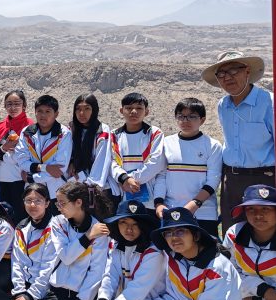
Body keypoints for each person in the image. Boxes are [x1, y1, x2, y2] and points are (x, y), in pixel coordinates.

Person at [33, 181, 111, 300]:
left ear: (78, 203)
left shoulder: (100, 230)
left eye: (62, 203)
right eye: (57, 203)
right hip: (58, 292)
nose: (58, 207)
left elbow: (96, 273)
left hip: (82, 298)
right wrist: (88, 236)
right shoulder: (58, 223)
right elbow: (67, 257)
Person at [201, 51, 274, 231]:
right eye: (222, 74)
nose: (228, 77)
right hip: (232, 180)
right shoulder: (223, 105)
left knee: (265, 232)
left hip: (264, 178)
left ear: (247, 71)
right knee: (232, 231)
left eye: (234, 70)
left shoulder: (269, 102)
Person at [92, 200, 165, 300]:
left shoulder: (154, 253)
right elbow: (110, 276)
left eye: (135, 224)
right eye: (123, 222)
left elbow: (135, 293)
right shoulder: (117, 245)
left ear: (143, 226)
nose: (129, 229)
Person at [223, 185, 276, 300]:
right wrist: (260, 291)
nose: (258, 215)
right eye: (251, 209)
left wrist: (260, 299)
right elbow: (229, 273)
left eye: (266, 209)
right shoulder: (234, 234)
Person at [153, 98, 222, 237]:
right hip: (172, 211)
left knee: (205, 252)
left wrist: (194, 204)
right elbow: (161, 176)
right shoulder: (166, 143)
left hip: (203, 213)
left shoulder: (213, 145)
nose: (186, 120)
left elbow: (213, 180)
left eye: (192, 116)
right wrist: (159, 203)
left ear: (202, 120)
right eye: (181, 116)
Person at [7, 183, 56, 300]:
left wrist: (30, 296)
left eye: (38, 201)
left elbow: (48, 268)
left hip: (46, 287)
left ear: (47, 203)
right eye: (28, 200)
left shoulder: (53, 229)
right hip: (26, 286)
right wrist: (19, 292)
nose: (33, 205)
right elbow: (17, 262)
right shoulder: (22, 227)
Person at [14, 94, 72, 210]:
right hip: (32, 192)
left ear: (56, 114)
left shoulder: (63, 134)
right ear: (35, 112)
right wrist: (45, 168)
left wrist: (31, 178)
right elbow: (21, 161)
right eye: (39, 111)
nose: (43, 115)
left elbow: (59, 169)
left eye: (48, 111)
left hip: (56, 191)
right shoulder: (27, 132)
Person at [110, 93, 164, 210]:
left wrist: (130, 180)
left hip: (150, 200)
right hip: (123, 196)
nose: (134, 111)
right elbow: (111, 162)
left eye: (139, 108)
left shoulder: (154, 133)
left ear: (147, 112)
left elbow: (157, 162)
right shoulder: (114, 135)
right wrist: (123, 178)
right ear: (121, 110)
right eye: (129, 108)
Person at [68, 94, 115, 217]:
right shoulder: (71, 129)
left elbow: (102, 160)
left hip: (97, 190)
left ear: (95, 110)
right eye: (78, 109)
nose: (82, 113)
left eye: (87, 108)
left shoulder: (102, 130)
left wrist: (89, 186)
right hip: (77, 185)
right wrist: (71, 162)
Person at [0, 90, 34, 224]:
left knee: (22, 218)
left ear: (24, 105)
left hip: (20, 180)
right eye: (9, 104)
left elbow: (33, 154)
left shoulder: (31, 127)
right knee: (3, 218)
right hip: (1, 180)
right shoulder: (0, 127)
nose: (13, 108)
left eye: (17, 104)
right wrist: (4, 150)